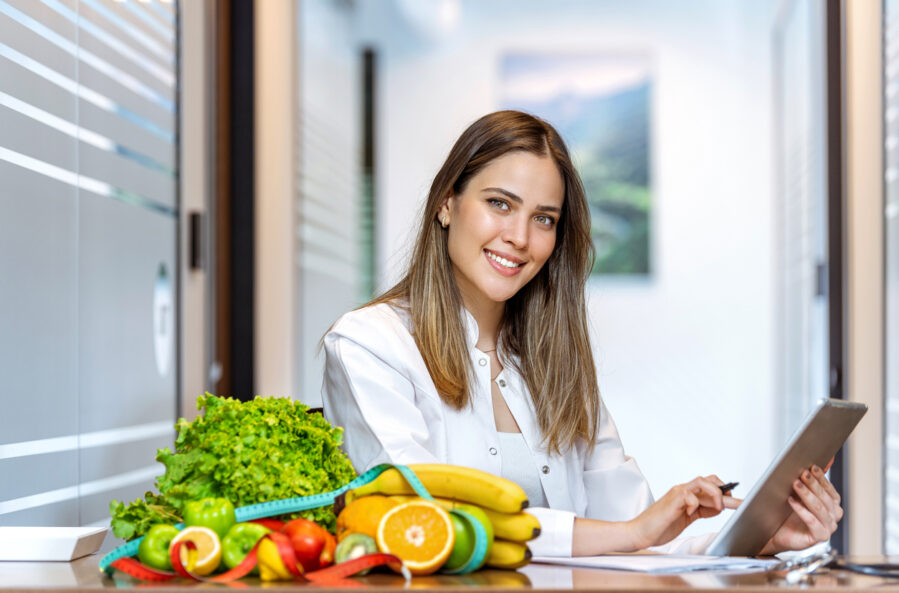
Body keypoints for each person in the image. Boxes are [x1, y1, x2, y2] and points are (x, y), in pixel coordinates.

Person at [321, 110, 842, 557]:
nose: (520, 238)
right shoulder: (371, 346)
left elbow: (636, 535)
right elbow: (422, 519)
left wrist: (762, 535)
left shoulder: (554, 361)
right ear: (447, 203)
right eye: (499, 204)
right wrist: (633, 532)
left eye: (544, 219)